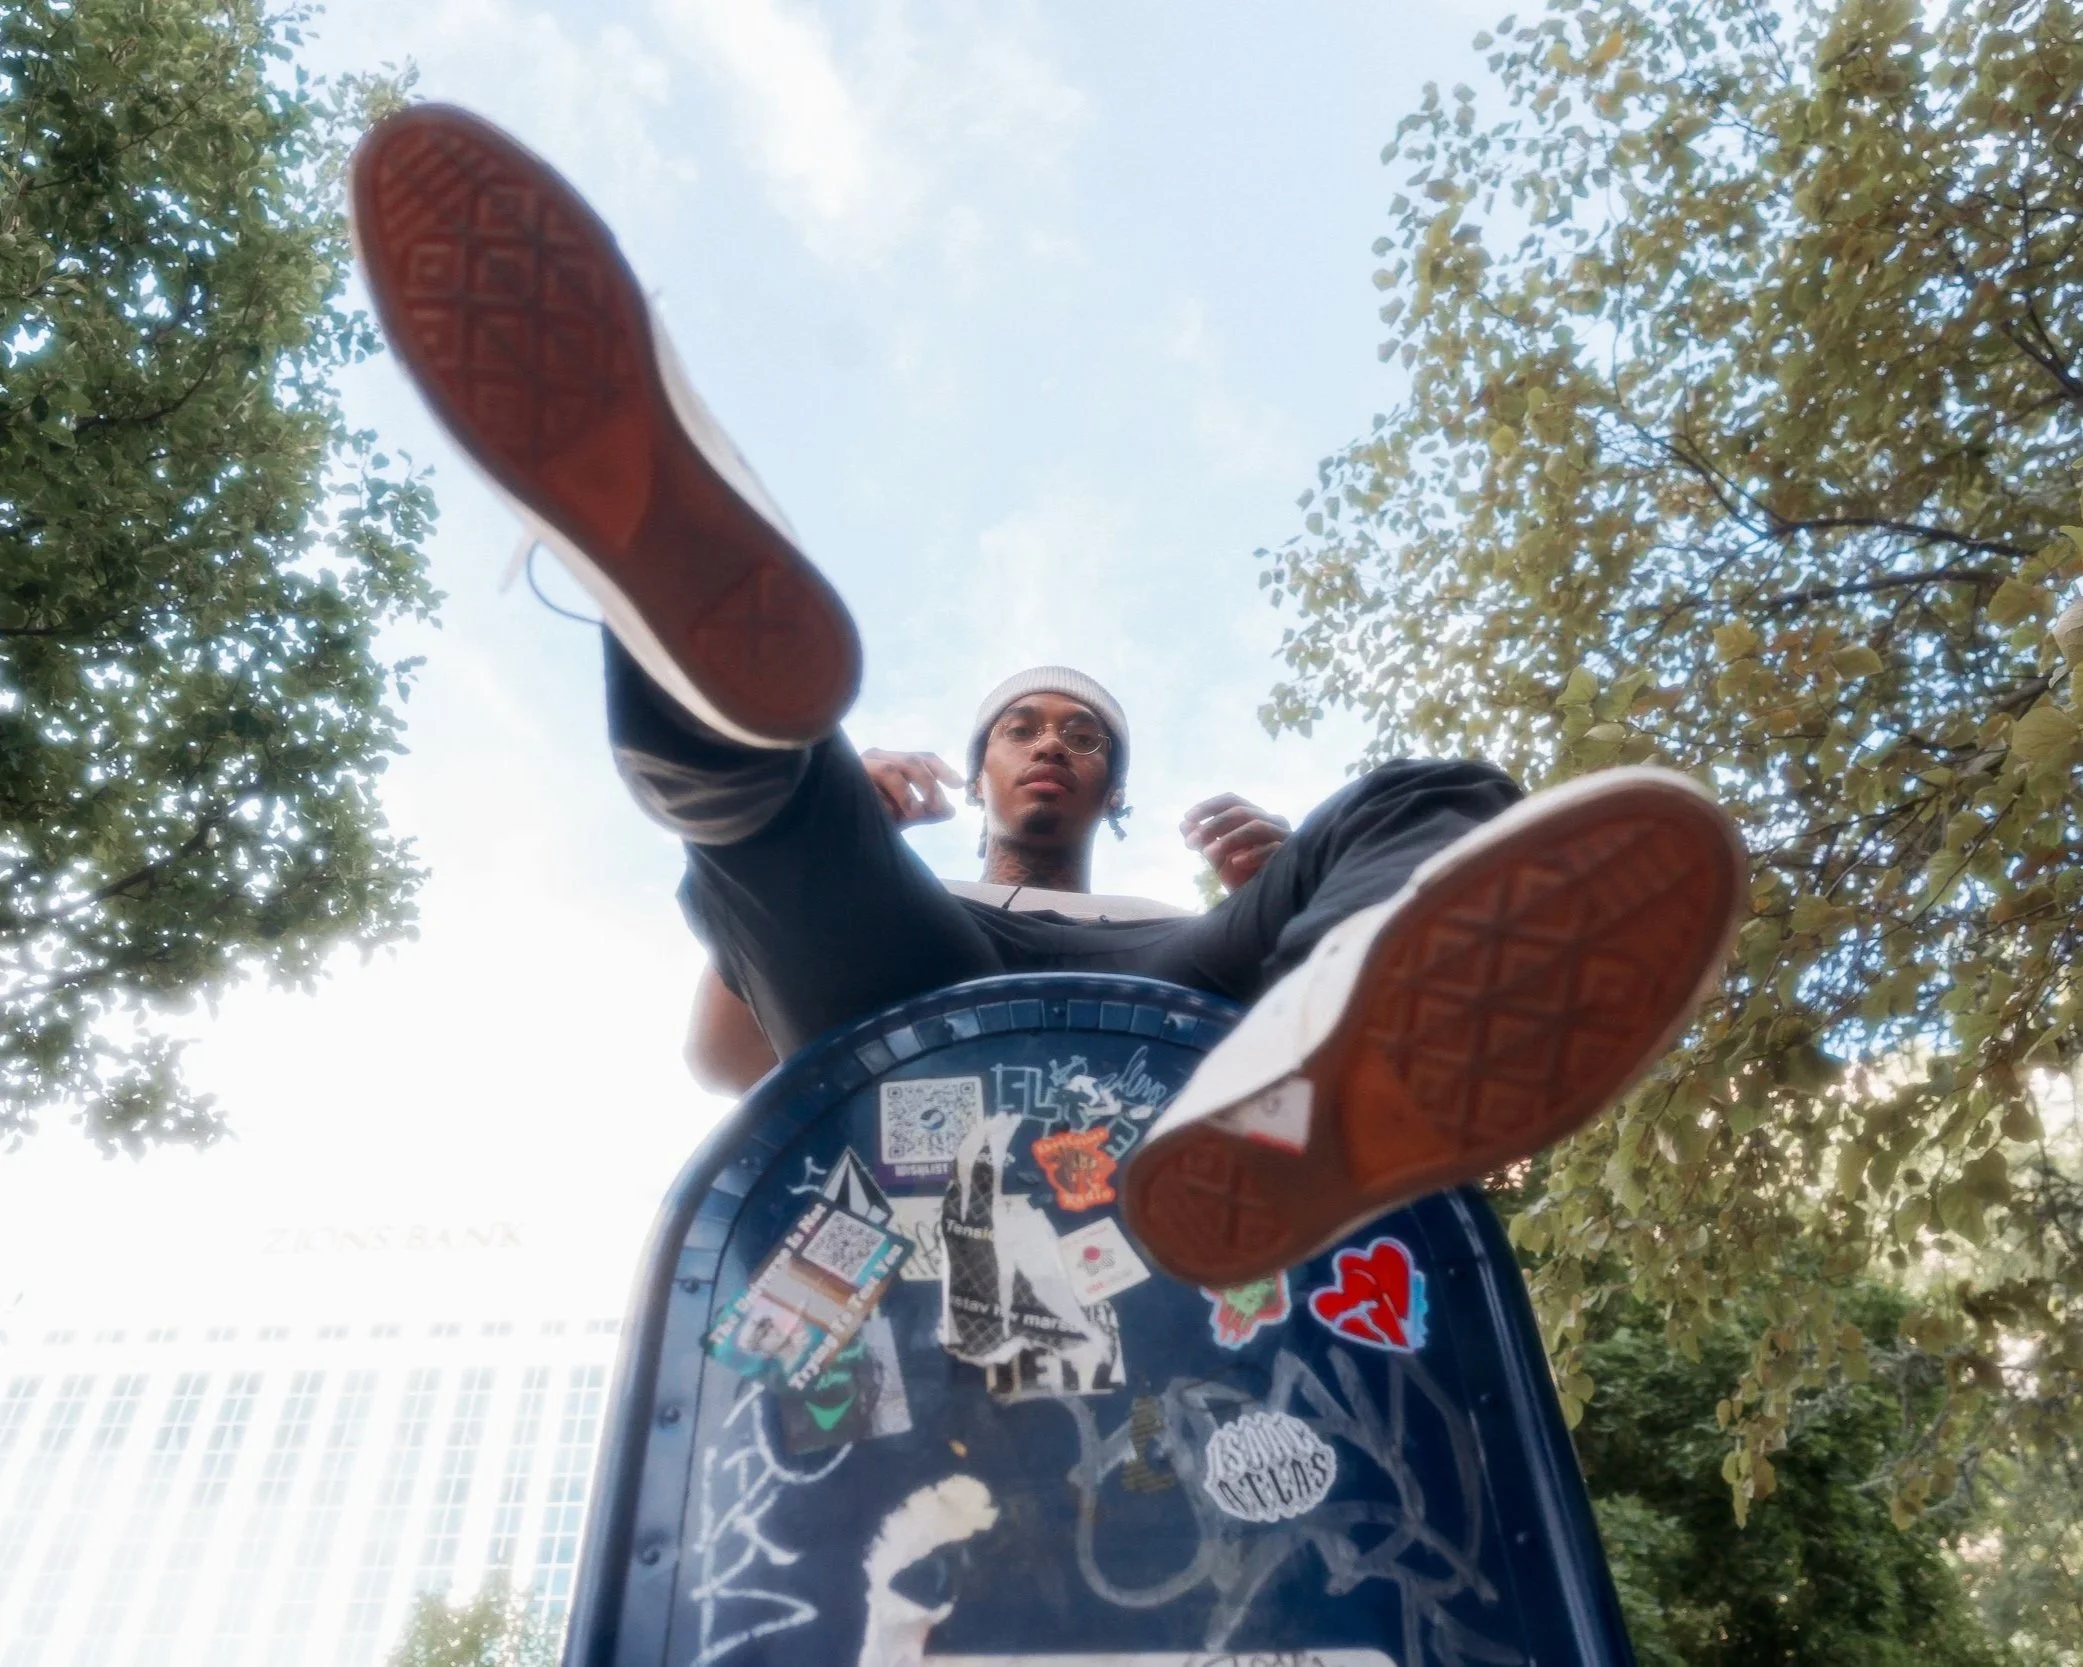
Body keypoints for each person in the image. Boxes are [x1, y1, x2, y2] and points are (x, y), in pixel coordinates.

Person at [350, 105, 1748, 1287]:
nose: (1053, 746)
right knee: (773, 800)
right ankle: (668, 601)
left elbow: (1340, 888)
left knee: (1415, 798)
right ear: (979, 764)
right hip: (922, 970)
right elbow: (726, 1062)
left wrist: (1309, 907)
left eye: (1083, 737)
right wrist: (832, 852)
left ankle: (1320, 1051)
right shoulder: (917, 878)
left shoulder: (1172, 911)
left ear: (1109, 789)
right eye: (1024, 725)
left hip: (1174, 1008)